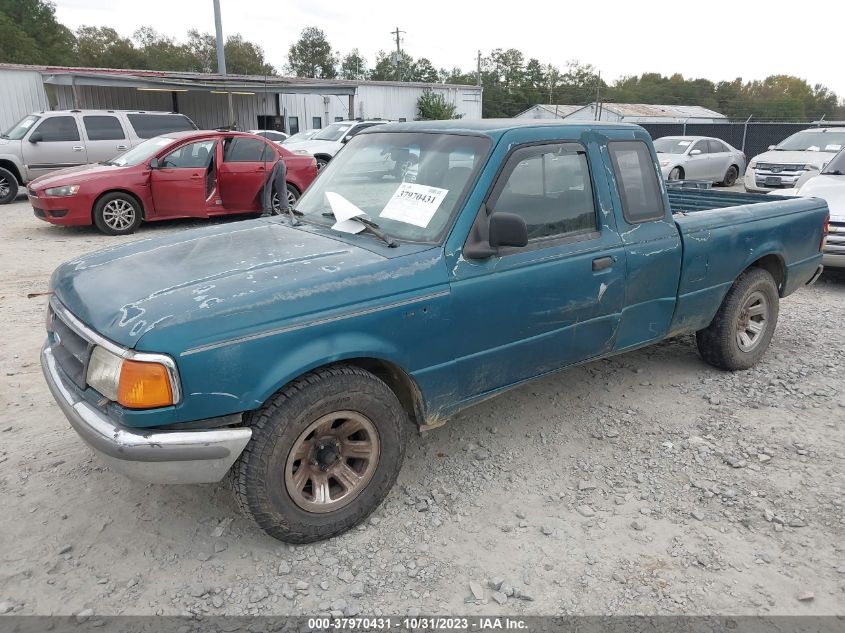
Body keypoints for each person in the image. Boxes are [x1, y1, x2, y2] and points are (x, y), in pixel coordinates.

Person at [260, 151, 288, 217]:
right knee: (282, 189)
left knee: (266, 188)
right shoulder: (272, 145)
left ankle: (267, 211)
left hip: (271, 164)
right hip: (281, 162)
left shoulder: (259, 145)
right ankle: (285, 209)